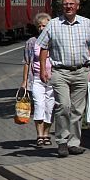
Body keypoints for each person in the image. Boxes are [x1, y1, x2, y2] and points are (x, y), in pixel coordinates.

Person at [37, 0, 90, 157]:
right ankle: (62, 141)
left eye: (72, 4)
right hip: (60, 72)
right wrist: (43, 69)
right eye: (66, 4)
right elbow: (44, 48)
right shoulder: (53, 25)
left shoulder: (87, 24)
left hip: (81, 71)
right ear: (62, 6)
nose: (69, 6)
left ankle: (74, 143)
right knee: (63, 106)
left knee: (78, 109)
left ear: (77, 6)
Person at [21, 13, 54, 147]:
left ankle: (46, 134)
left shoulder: (54, 40)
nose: (41, 28)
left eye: (44, 26)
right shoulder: (31, 42)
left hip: (52, 78)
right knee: (39, 105)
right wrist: (24, 81)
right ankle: (39, 135)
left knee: (50, 107)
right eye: (39, 26)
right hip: (36, 79)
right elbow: (27, 62)